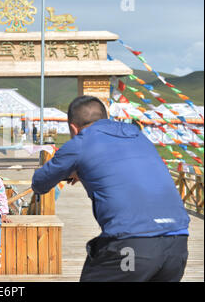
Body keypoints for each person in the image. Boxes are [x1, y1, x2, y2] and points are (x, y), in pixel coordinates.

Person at [32, 95, 190, 282]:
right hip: (177, 244)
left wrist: (75, 170)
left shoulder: (80, 143)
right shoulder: (137, 134)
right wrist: (84, 170)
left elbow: (40, 183)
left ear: (73, 128)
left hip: (131, 244)